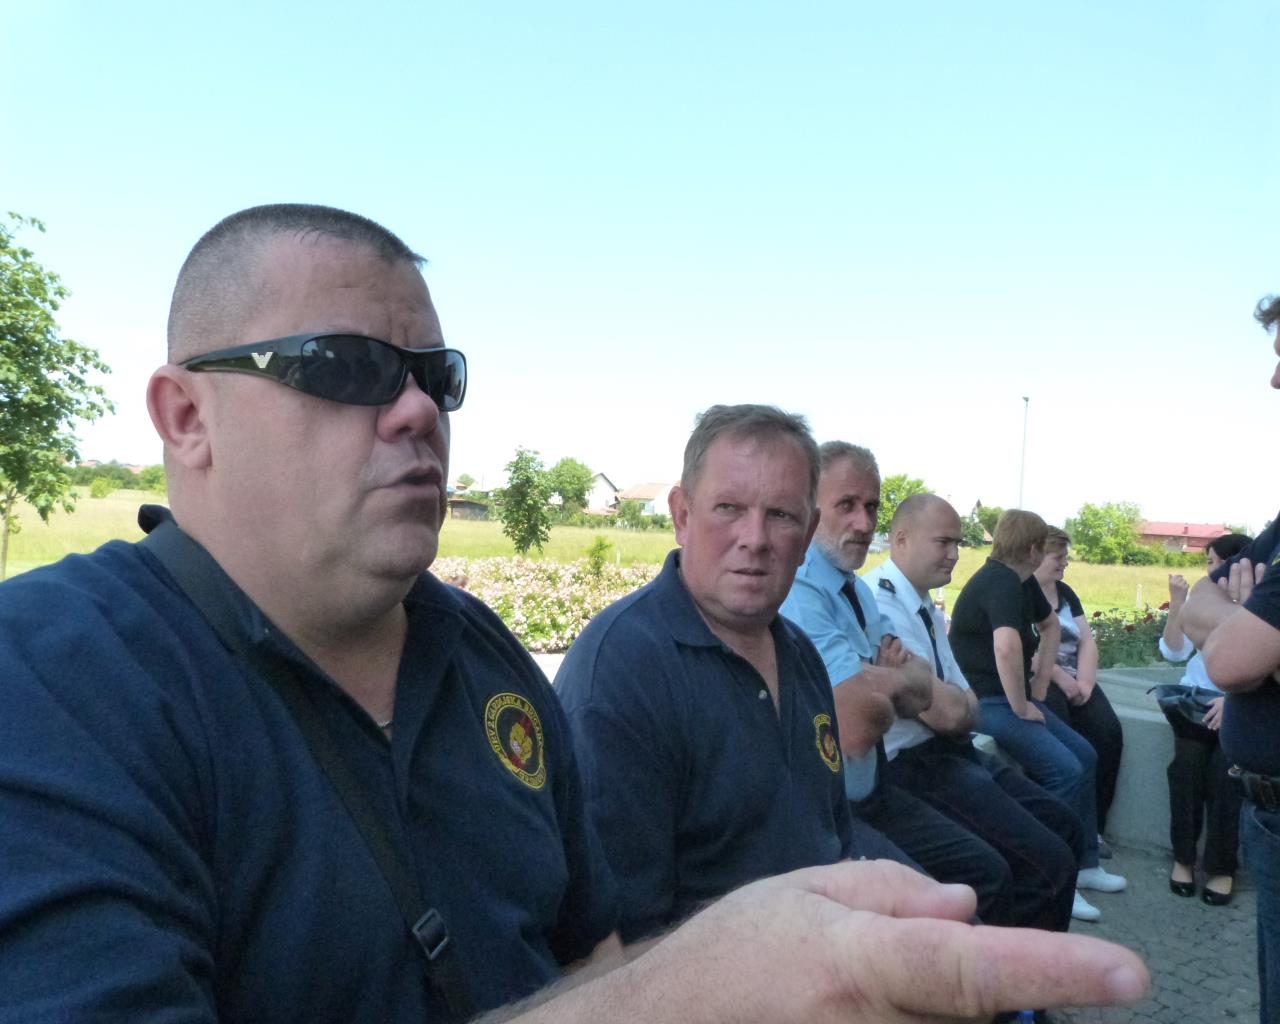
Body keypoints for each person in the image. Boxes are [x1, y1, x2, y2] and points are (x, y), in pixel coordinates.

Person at [0, 202, 1152, 1024]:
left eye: (436, 375)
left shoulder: (484, 660)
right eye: (345, 365)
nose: (417, 410)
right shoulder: (55, 680)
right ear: (185, 416)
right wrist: (692, 991)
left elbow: (590, 945)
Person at [554, 405, 855, 941]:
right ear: (682, 515)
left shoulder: (803, 656)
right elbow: (618, 940)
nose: (755, 538)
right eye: (728, 508)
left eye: (781, 515)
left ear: (808, 533)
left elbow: (833, 837)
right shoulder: (623, 672)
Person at [780, 443, 1033, 928]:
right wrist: (897, 681)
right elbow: (858, 725)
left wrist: (880, 678)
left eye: (871, 506)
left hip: (875, 791)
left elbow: (924, 693)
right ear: (810, 509)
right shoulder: (802, 590)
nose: (863, 522)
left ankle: (1009, 974)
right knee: (964, 895)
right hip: (832, 809)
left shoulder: (856, 590)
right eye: (846, 504)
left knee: (991, 869)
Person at [864, 494, 1083, 931]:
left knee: (1066, 826)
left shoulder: (923, 603)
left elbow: (964, 701)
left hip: (954, 752)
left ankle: (1027, 961)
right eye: (943, 542)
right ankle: (1014, 970)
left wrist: (950, 704)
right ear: (901, 540)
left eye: (958, 542)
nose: (955, 554)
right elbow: (947, 714)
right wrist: (952, 705)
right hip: (914, 766)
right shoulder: (880, 604)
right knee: (1043, 863)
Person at [1181, 293, 1280, 1024]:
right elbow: (1197, 608)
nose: (1274, 379)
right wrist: (1245, 628)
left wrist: (1246, 636)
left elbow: (1228, 663)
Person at [949, 509, 1126, 919]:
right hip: (985, 703)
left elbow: (1051, 627)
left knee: (1085, 755)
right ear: (1032, 549)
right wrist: (1022, 704)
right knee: (1066, 770)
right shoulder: (998, 582)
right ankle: (1055, 874)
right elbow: (1006, 646)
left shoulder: (1021, 581)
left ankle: (1085, 864)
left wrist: (1042, 683)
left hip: (1009, 700)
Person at [1159, 533, 1251, 906]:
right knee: (1186, 770)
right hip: (1195, 708)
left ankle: (1221, 868)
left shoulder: (1261, 605)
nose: (1209, 570)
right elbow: (1173, 652)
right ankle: (1183, 859)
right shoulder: (1204, 602)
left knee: (1226, 779)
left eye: (1214, 562)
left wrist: (1234, 701)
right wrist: (1178, 604)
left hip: (1241, 709)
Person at [1033, 527, 1125, 852]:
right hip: (1043, 678)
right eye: (1058, 557)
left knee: (1108, 733)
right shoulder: (1020, 593)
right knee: (1064, 741)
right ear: (1038, 556)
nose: (1065, 564)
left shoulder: (1065, 593)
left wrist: (1085, 681)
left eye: (1065, 557)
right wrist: (1061, 678)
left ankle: (1095, 828)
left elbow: (1087, 641)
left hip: (1076, 676)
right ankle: (1066, 829)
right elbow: (1026, 650)